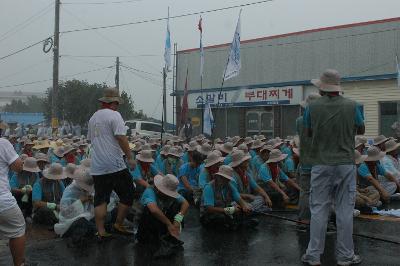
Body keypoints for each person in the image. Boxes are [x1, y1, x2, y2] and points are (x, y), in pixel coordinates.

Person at [302, 69, 365, 266]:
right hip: (346, 163)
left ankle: (313, 255)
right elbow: (361, 128)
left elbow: (309, 131)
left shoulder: (312, 107)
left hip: (321, 163)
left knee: (319, 209)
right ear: (337, 87)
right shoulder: (352, 105)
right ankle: (346, 256)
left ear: (321, 88)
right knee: (345, 210)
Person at [87, 87, 135, 239]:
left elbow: (91, 139)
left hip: (97, 165)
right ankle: (118, 223)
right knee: (128, 193)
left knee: (101, 198)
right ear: (114, 102)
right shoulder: (115, 115)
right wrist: (130, 157)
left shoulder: (93, 118)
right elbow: (121, 137)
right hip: (114, 164)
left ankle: (101, 231)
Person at [137, 174, 189, 256]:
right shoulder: (150, 191)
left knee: (177, 205)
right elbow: (153, 210)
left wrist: (178, 219)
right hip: (144, 228)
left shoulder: (169, 195)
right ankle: (159, 239)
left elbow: (185, 203)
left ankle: (168, 236)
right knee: (149, 210)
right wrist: (169, 224)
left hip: (161, 223)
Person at [201, 165, 253, 230]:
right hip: (209, 215)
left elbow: (238, 198)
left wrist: (244, 206)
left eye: (227, 179)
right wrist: (228, 210)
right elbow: (209, 208)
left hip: (223, 210)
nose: (226, 180)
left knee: (242, 210)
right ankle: (237, 225)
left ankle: (236, 224)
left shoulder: (229, 186)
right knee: (221, 218)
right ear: (218, 177)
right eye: (223, 178)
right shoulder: (209, 187)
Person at [0, 137, 26, 266]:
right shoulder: (2, 143)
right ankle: (18, 264)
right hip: (2, 200)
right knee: (18, 230)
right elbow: (18, 167)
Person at [296, 93, 320, 226]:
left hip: (305, 161)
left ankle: (304, 218)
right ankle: (321, 220)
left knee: (305, 191)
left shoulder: (299, 121)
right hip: (320, 162)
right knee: (321, 192)